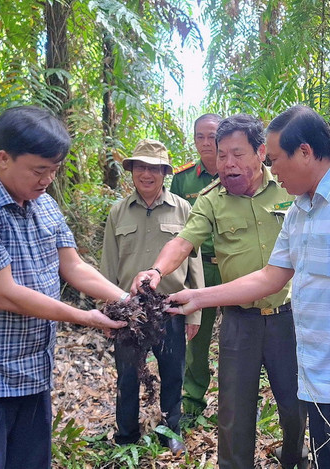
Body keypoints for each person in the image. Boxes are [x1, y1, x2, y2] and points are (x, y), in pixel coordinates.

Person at [166, 106, 330, 468]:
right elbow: (271, 276)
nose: (273, 169)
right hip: (321, 379)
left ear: (305, 152)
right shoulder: (300, 211)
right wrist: (197, 297)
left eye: (276, 159)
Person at [0, 106, 128, 469]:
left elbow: (73, 266)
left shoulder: (45, 205)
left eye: (54, 170)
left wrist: (127, 300)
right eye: (39, 170)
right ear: (3, 158)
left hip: (32, 375)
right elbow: (4, 294)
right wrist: (86, 317)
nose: (47, 180)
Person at [130, 114, 306, 469]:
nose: (227, 164)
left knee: (294, 404)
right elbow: (183, 241)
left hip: (290, 317)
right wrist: (157, 270)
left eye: (237, 154)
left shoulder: (289, 187)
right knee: (234, 411)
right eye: (222, 155)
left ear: (260, 153)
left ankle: (294, 460)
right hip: (239, 321)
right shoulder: (211, 199)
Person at [100, 138, 204, 455]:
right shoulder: (118, 212)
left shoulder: (183, 209)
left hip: (169, 307)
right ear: (132, 170)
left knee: (173, 373)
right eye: (141, 167)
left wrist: (194, 312)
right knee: (127, 376)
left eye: (154, 168)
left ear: (165, 173)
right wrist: (106, 310)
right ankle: (126, 434)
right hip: (128, 309)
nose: (147, 174)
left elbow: (194, 262)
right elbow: (108, 263)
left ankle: (170, 432)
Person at [170, 113, 223, 417]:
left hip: (234, 269)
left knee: (242, 336)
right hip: (200, 268)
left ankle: (242, 399)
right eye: (200, 136)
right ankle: (192, 401)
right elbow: (177, 230)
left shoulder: (238, 173)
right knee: (197, 337)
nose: (206, 143)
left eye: (212, 136)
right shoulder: (184, 179)